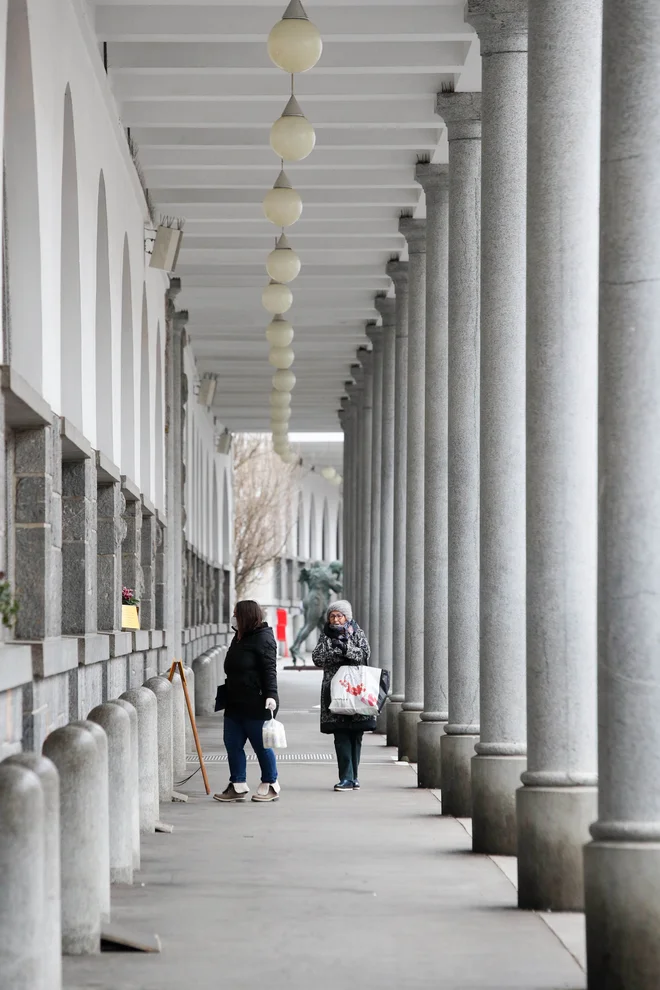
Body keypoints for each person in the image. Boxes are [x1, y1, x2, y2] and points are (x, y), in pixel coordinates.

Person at [213, 600, 281, 803]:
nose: (233, 617)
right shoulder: (239, 636)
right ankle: (237, 784)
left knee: (261, 745)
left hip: (257, 702)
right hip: (235, 701)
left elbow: (270, 670)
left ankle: (271, 784)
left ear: (247, 616)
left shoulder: (263, 639)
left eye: (236, 613)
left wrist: (271, 695)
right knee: (232, 744)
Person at [312, 600, 372, 791]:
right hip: (335, 690)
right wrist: (336, 651)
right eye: (332, 616)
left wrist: (345, 649)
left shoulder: (357, 632)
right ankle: (346, 777)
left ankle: (354, 777)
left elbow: (364, 654)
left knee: (356, 734)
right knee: (341, 734)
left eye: (339, 615)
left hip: (355, 689)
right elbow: (317, 658)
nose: (336, 619)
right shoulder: (325, 636)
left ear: (347, 617)